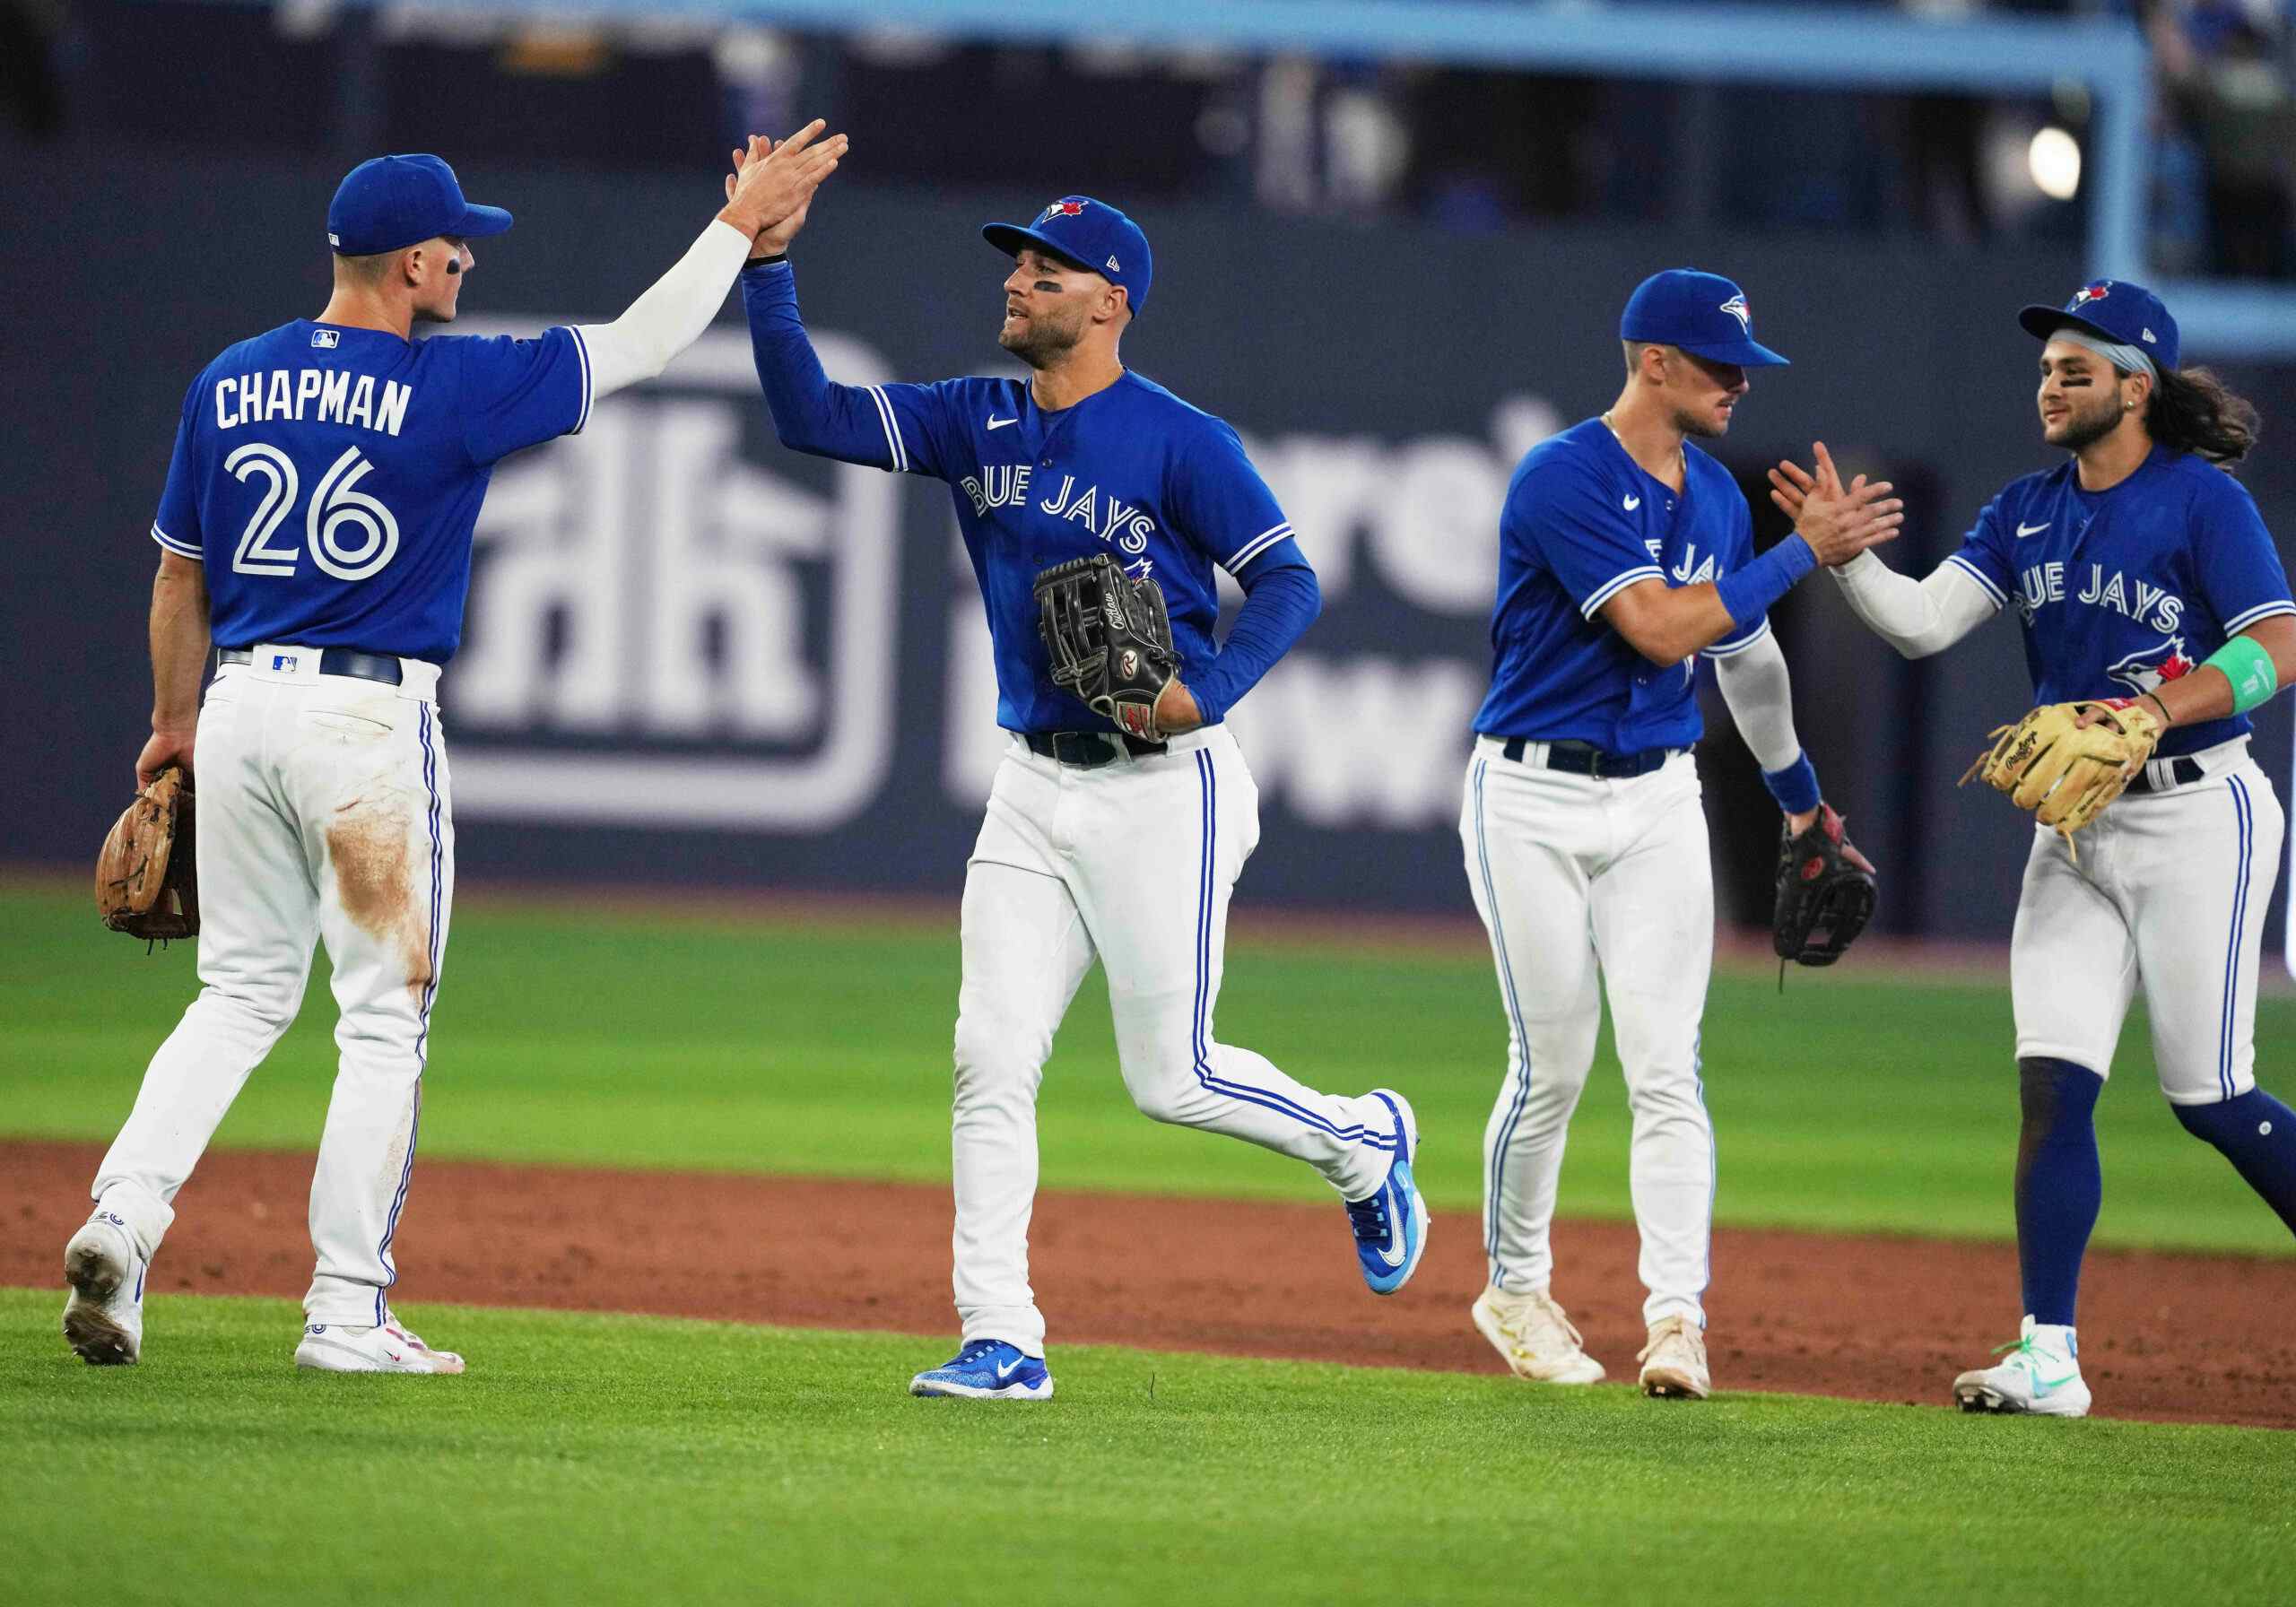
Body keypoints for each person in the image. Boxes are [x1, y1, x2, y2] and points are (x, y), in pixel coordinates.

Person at [61, 129, 847, 1373]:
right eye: (456, 244)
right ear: (413, 259)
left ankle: (122, 1218)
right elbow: (643, 344)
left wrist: (172, 730)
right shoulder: (451, 386)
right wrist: (739, 226)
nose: (470, 259)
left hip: (241, 705)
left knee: (237, 995)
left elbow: (177, 575)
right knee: (382, 1024)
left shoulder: (229, 378)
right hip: (366, 725)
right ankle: (346, 1312)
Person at [735, 177, 1427, 1402]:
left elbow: (1290, 584)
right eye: (1016, 266)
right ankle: (1003, 1336)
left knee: (1177, 1080)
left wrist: (1204, 693)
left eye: (1045, 272)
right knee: (985, 1056)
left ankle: (1364, 1142)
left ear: (1110, 303)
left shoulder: (1178, 438)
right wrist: (769, 263)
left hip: (1169, 787)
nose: (1016, 281)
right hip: (1032, 787)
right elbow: (810, 414)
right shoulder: (975, 419)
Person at [1779, 280, 2296, 1418]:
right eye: (2046, 367)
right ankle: (2048, 1357)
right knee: (2053, 1089)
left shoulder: (2199, 502)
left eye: (2076, 367)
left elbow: (2277, 642)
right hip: (2075, 831)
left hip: (2202, 811)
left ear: (2136, 385)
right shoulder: (2022, 509)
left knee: (2210, 1095)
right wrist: (1842, 557)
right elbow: (1920, 624)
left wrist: (2156, 711)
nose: (2050, 384)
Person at [1462, 270, 1900, 1400]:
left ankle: (1675, 1322)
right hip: (1530, 799)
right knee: (1552, 1064)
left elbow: (1741, 652)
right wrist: (1802, 550)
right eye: (1718, 363)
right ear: (1653, 360)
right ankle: (1514, 1287)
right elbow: (1660, 631)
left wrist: (1799, 797)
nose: (1739, 381)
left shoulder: (1712, 496)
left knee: (1667, 1070)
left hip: (1656, 796)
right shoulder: (1561, 475)